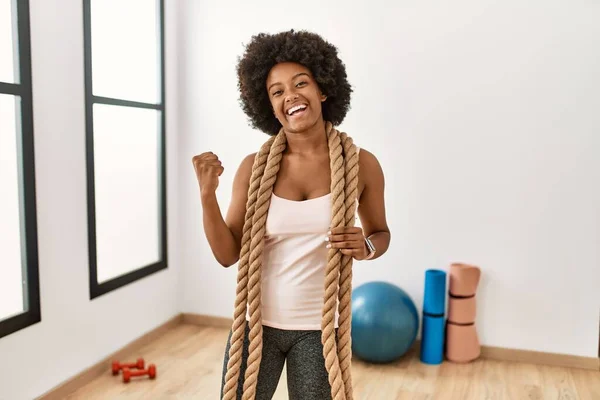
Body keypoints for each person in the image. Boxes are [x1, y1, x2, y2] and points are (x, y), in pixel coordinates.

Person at [192, 29, 390, 400]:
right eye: (277, 91)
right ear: (267, 105)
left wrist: (365, 247)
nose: (290, 96)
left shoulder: (361, 165)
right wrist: (207, 196)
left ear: (324, 89)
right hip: (256, 326)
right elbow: (226, 254)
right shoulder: (254, 167)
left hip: (319, 332)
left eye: (301, 83)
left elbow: (380, 233)